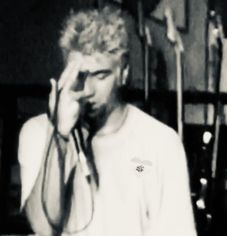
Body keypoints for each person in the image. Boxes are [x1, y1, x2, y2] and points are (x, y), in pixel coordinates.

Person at [18, 4, 197, 236]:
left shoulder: (161, 143)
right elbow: (43, 228)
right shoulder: (38, 133)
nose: (88, 90)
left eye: (101, 76)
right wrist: (59, 135)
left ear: (123, 73)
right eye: (80, 76)